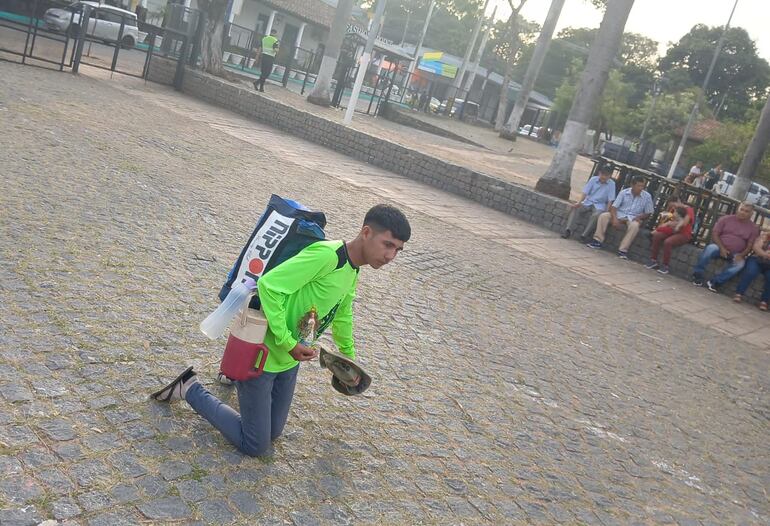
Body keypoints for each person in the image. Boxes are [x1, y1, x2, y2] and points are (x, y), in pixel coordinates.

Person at [151, 205, 411, 457]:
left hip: (289, 360)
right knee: (255, 445)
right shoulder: (327, 256)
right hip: (261, 355)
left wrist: (347, 357)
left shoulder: (352, 270)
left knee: (273, 433)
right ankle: (190, 388)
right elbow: (269, 286)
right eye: (387, 244)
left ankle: (244, 397)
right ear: (366, 232)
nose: (391, 256)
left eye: (398, 250)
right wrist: (288, 342)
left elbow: (343, 313)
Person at [691, 202, 759, 292]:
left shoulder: (753, 228)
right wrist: (722, 248)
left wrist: (741, 255)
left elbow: (750, 245)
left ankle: (715, 282)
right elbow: (715, 234)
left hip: (736, 253)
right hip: (719, 247)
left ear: (751, 214)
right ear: (737, 209)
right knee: (710, 249)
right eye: (741, 209)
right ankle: (697, 274)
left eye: (746, 211)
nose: (743, 212)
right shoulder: (726, 219)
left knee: (740, 264)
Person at [587, 175, 654, 259]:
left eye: (642, 186)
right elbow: (614, 207)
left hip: (633, 217)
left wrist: (640, 217)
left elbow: (648, 212)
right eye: (638, 186)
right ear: (632, 185)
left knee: (635, 226)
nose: (641, 188)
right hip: (620, 214)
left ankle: (623, 250)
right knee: (604, 216)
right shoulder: (624, 193)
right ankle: (597, 241)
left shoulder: (647, 196)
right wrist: (615, 219)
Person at [561, 166, 616, 241]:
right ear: (599, 173)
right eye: (602, 174)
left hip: (600, 205)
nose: (604, 177)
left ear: (610, 176)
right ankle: (568, 230)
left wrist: (606, 211)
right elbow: (585, 192)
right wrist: (579, 202)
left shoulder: (612, 184)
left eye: (606, 175)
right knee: (576, 208)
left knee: (596, 215)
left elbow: (610, 200)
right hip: (588, 201)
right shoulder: (593, 179)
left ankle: (584, 235)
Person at [645, 197, 694, 274]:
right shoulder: (675, 210)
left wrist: (670, 224)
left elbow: (684, 223)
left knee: (668, 242)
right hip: (673, 230)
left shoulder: (689, 210)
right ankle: (653, 260)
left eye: (674, 205)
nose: (673, 208)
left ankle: (665, 265)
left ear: (678, 201)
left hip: (684, 233)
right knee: (657, 236)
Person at [733, 229, 770, 311]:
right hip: (757, 259)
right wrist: (765, 254)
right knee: (751, 272)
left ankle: (764, 301)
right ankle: (739, 293)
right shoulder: (766, 236)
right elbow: (756, 248)